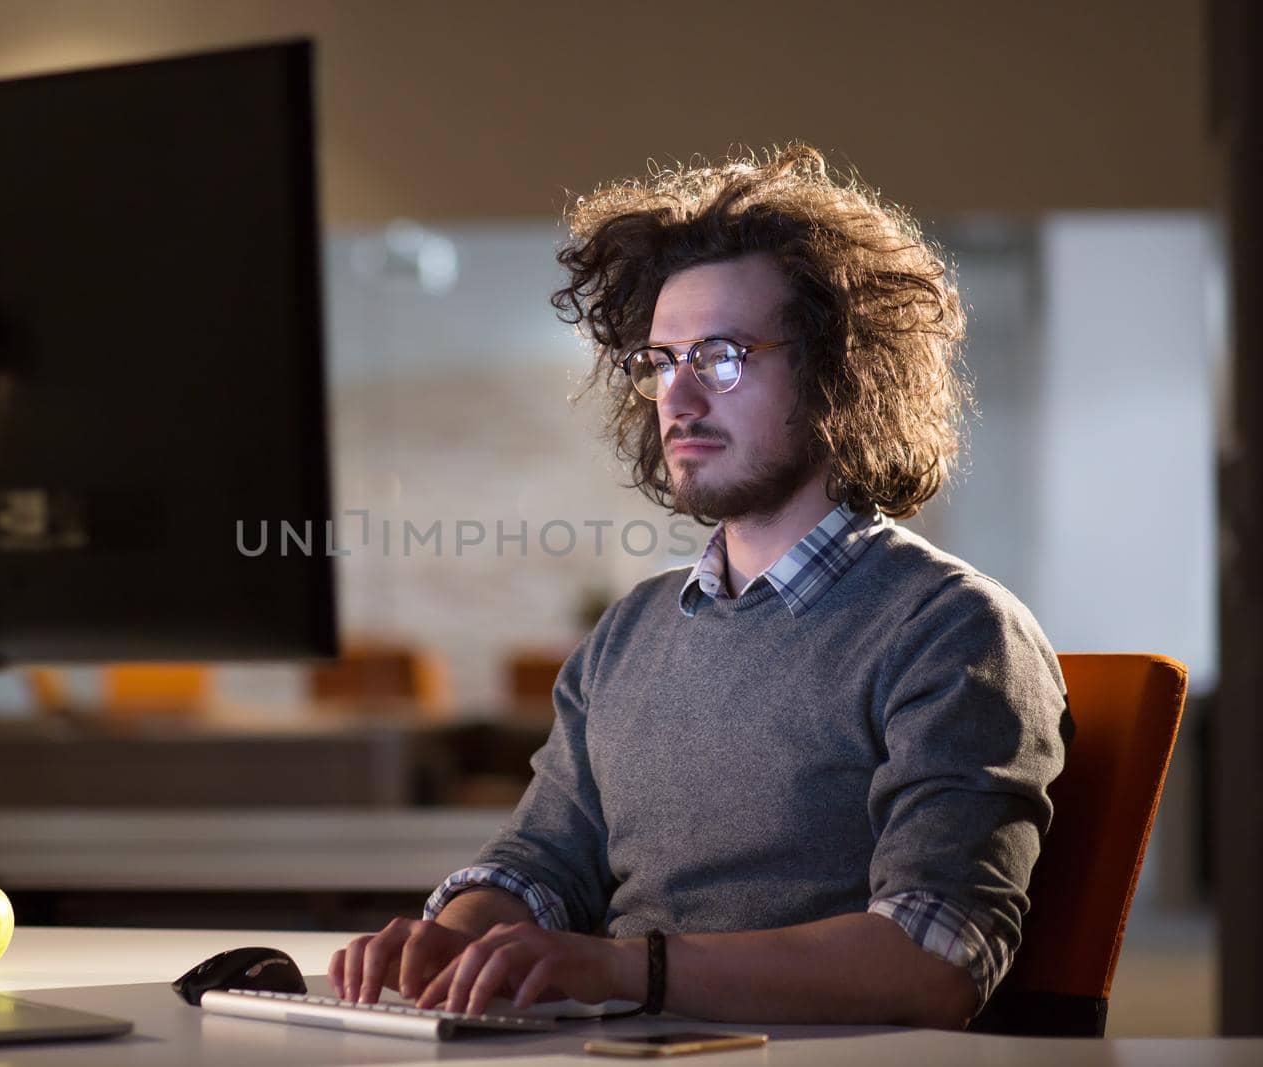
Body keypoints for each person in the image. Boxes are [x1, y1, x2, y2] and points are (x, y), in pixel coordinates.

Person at [328, 144, 1070, 1029]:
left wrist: (619, 967)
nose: (675, 395)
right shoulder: (631, 629)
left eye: (719, 355)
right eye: (658, 359)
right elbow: (540, 862)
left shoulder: (955, 630)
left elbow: (930, 961)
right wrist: (456, 938)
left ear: (841, 370)